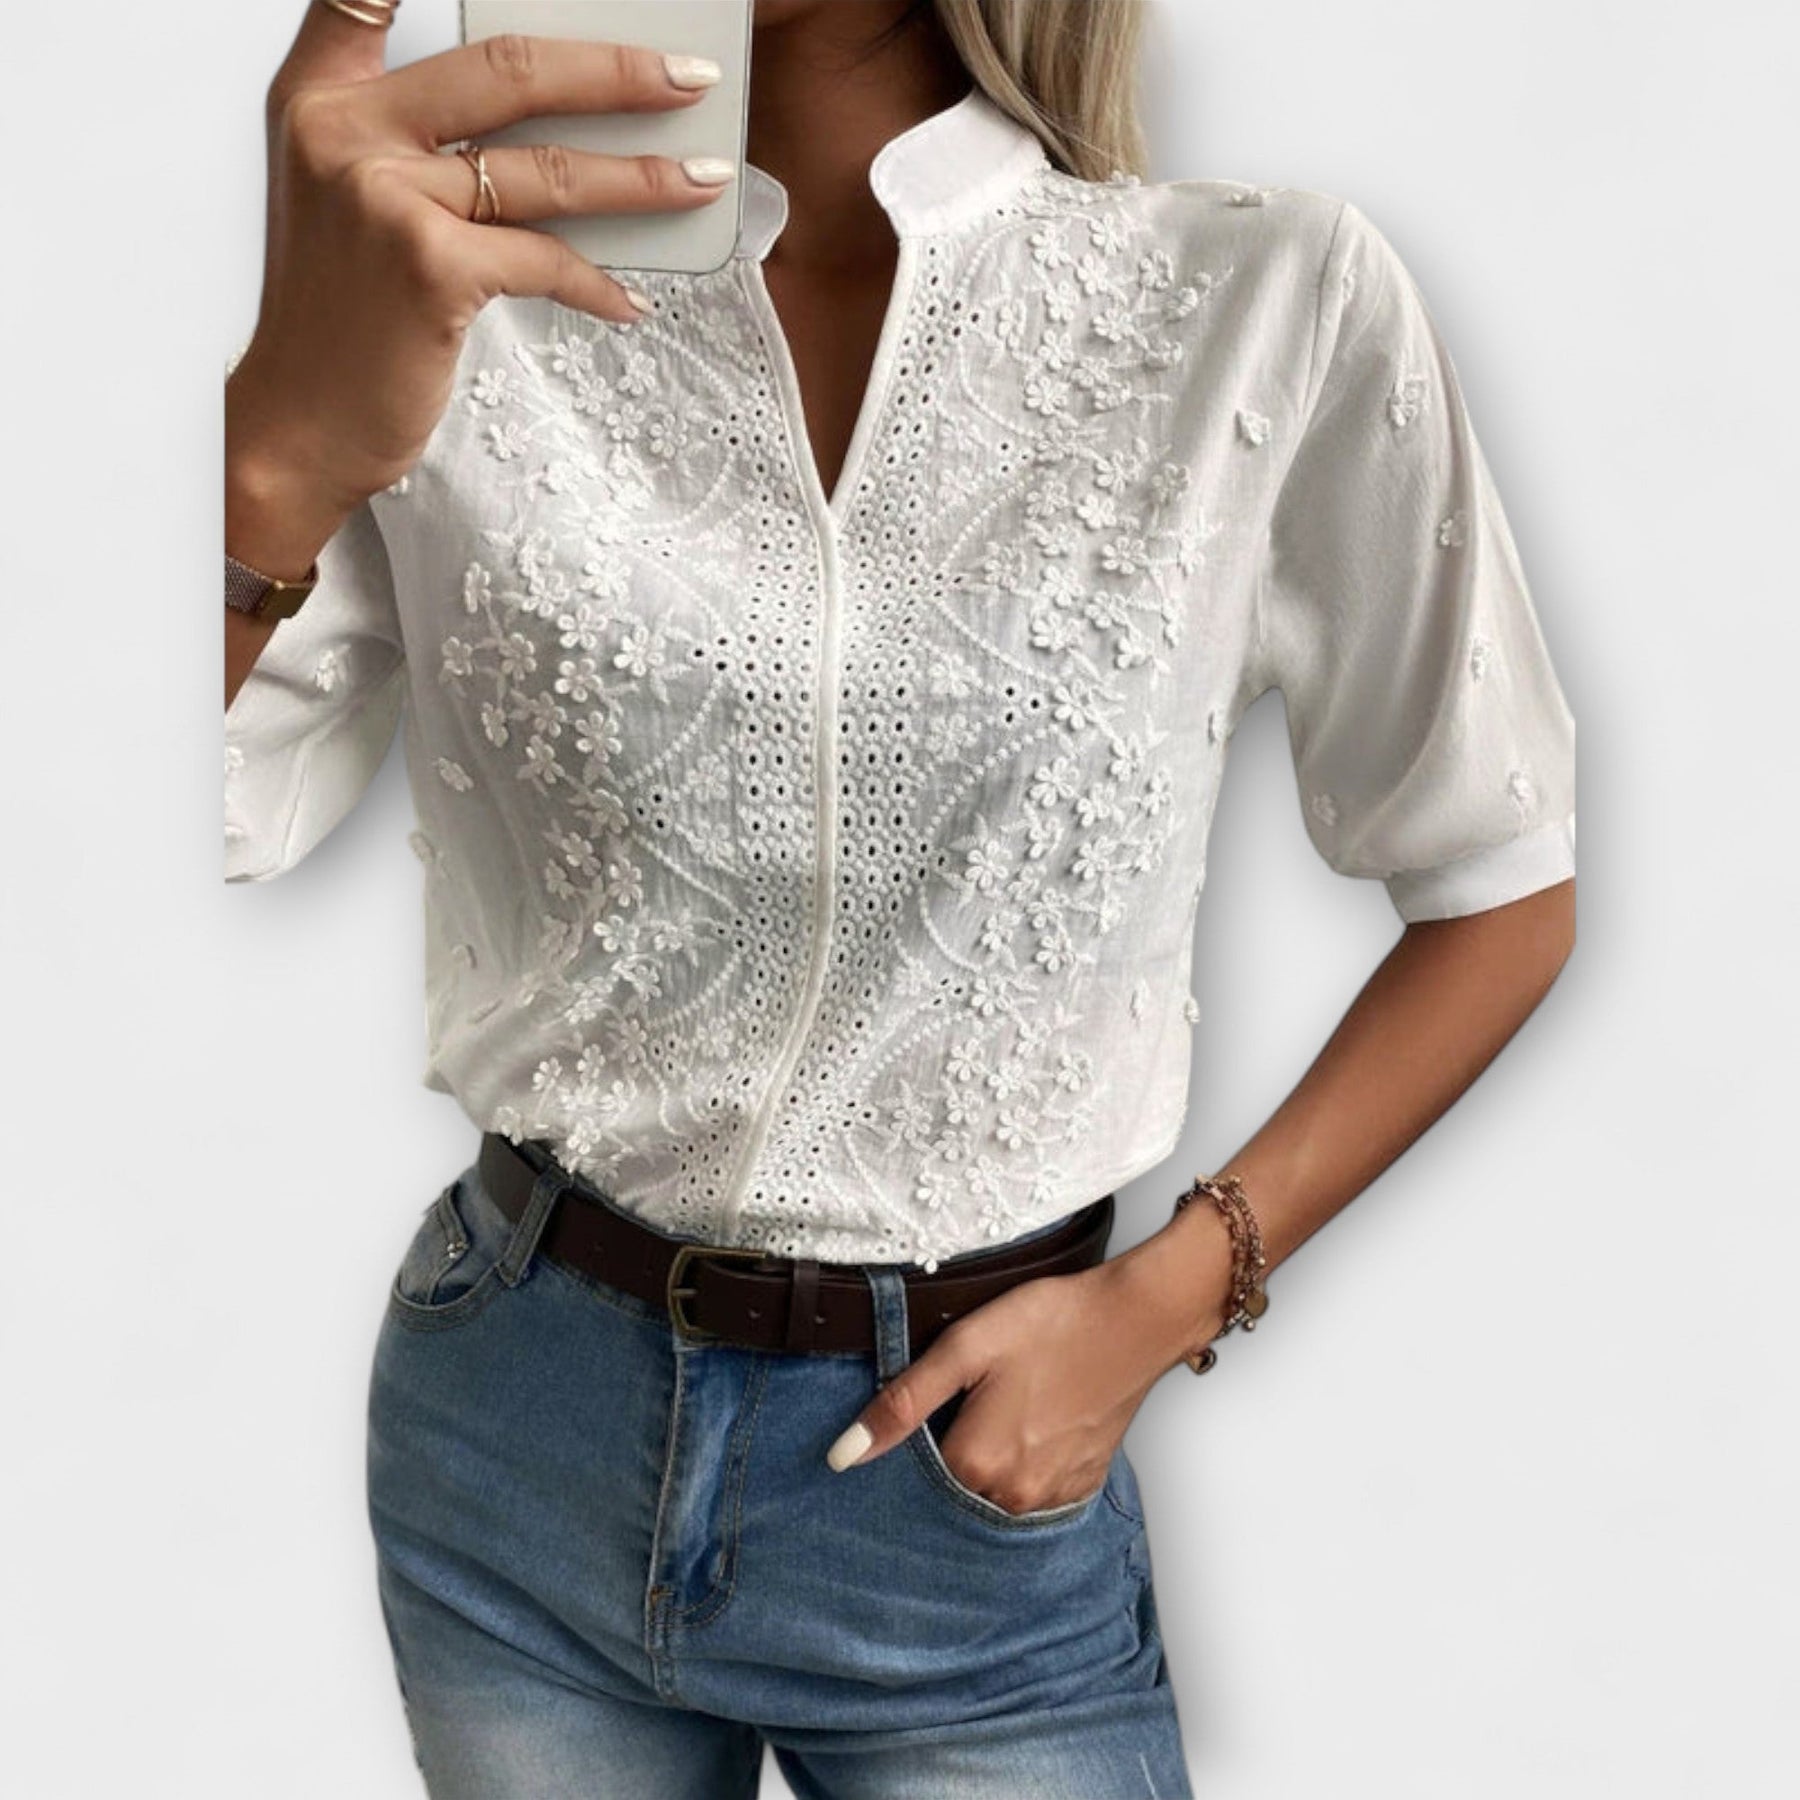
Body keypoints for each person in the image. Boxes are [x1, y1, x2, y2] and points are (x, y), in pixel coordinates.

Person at [223, 1, 1578, 1793]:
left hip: (964, 1502)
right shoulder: (455, 298)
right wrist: (271, 453)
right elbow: (197, 809)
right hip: (514, 1433)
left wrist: (1169, 1301)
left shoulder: (1265, 295)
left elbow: (1497, 879)